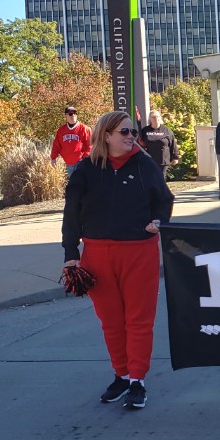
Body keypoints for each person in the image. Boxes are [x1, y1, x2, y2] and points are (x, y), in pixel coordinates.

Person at [63, 111, 175, 410]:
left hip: (139, 250)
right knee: (110, 321)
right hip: (97, 252)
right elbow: (71, 214)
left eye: (132, 133)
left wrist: (159, 220)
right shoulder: (86, 170)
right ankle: (121, 375)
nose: (131, 137)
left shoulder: (145, 165)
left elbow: (164, 199)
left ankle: (137, 379)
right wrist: (70, 255)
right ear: (106, 135)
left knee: (139, 319)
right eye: (124, 132)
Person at [51, 106, 93, 177]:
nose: (73, 115)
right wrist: (53, 158)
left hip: (81, 163)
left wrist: (84, 158)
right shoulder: (61, 130)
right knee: (73, 185)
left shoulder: (85, 129)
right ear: (66, 116)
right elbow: (56, 145)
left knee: (81, 184)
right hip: (68, 164)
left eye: (75, 113)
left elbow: (90, 145)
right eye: (70, 114)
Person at [139, 110, 180, 180]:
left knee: (161, 179)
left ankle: (161, 191)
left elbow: (173, 143)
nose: (156, 118)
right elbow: (140, 143)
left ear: (160, 118)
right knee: (151, 179)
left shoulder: (166, 130)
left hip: (163, 160)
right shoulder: (145, 130)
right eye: (153, 117)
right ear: (150, 119)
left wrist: (175, 157)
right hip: (150, 160)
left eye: (157, 116)